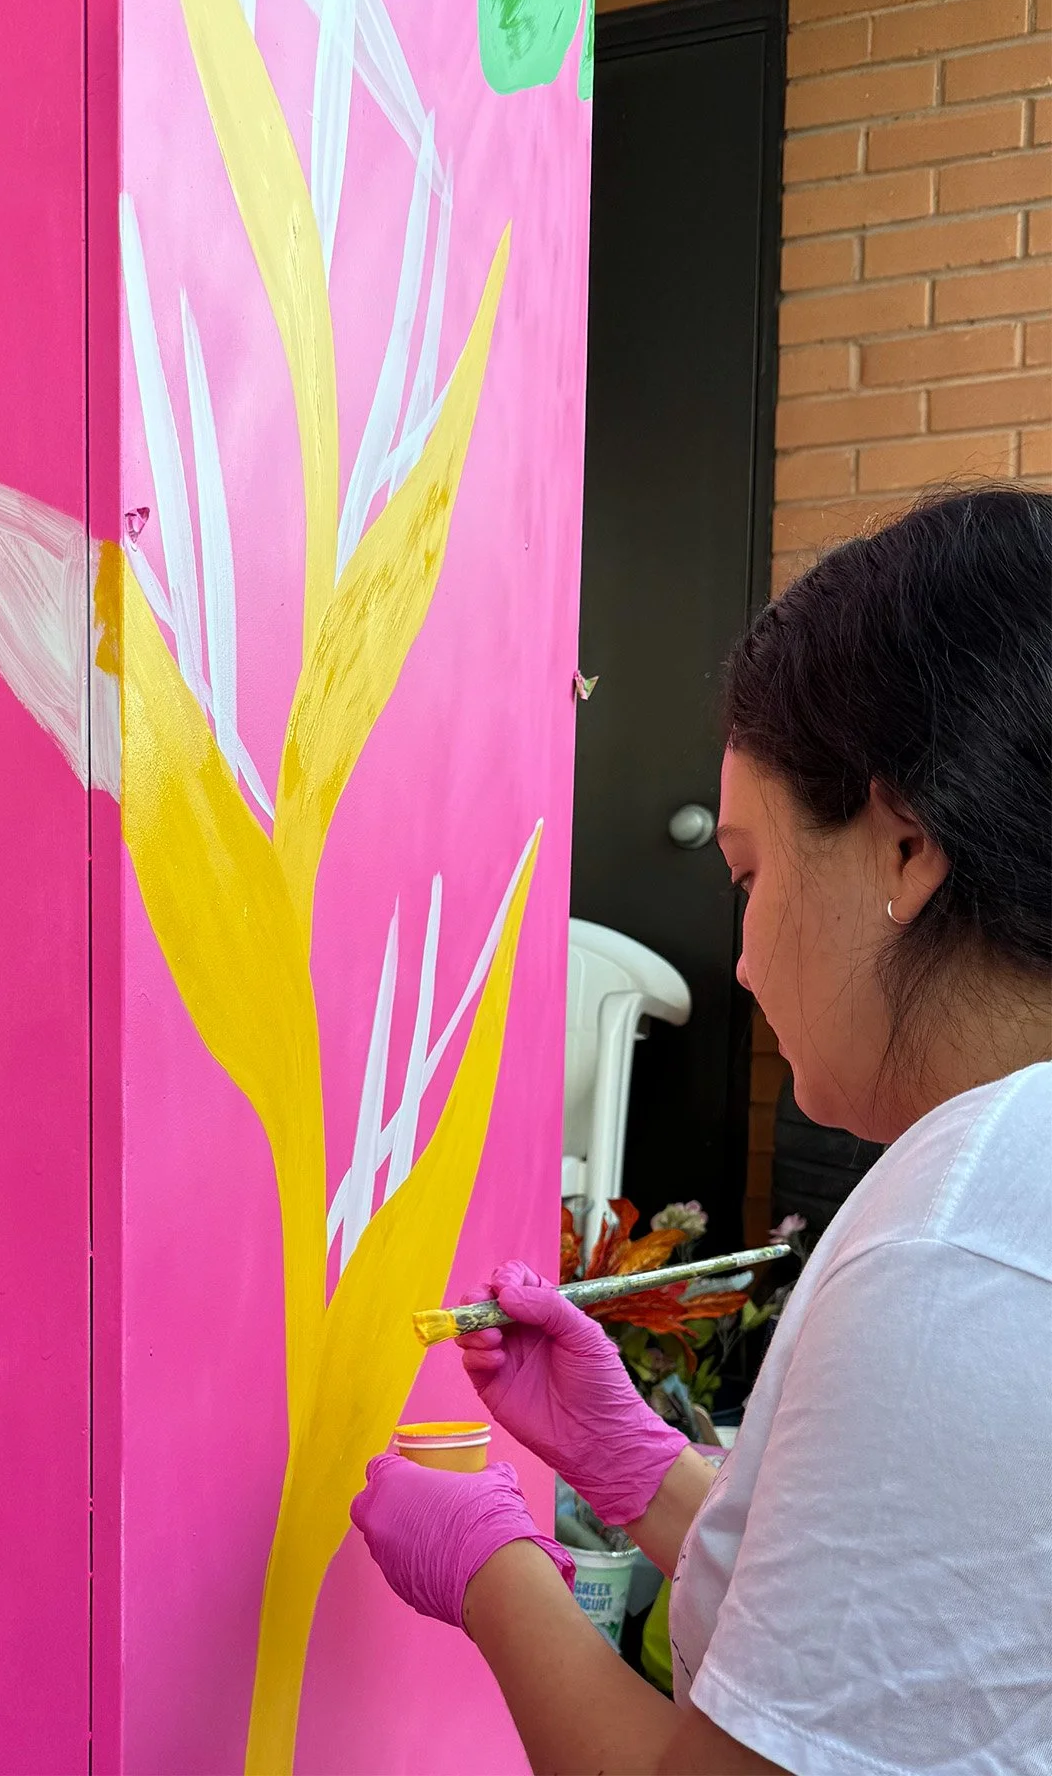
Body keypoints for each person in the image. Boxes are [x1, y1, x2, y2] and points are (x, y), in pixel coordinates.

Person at [351, 486, 1052, 1774]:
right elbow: (895, 1621)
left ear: (904, 849)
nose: (738, 960)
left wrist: (496, 1574)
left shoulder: (963, 1252)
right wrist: (636, 1470)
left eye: (750, 873)